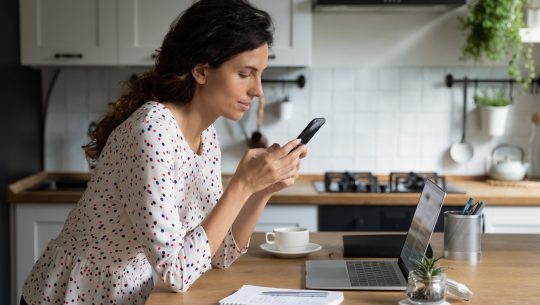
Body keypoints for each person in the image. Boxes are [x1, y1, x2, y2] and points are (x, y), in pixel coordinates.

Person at [20, 0, 307, 304]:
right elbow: (178, 271)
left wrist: (261, 191)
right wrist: (242, 185)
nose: (258, 90)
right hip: (72, 297)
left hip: (130, 294)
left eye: (260, 74)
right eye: (245, 73)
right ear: (201, 71)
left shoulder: (206, 137)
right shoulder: (151, 133)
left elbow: (216, 254)